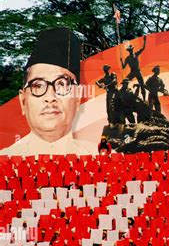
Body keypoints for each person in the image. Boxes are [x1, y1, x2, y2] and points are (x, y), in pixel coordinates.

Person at [0, 27, 97, 156]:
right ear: (23, 101)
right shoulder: (5, 161)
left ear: (78, 97)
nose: (50, 97)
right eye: (38, 85)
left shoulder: (101, 158)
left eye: (62, 84)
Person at [121, 35, 147, 101]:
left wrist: (144, 40)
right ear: (128, 51)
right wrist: (121, 61)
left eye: (131, 49)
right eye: (129, 50)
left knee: (142, 85)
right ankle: (123, 96)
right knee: (125, 81)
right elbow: (123, 67)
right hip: (132, 72)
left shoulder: (136, 54)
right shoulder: (127, 58)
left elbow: (143, 48)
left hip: (138, 71)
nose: (131, 51)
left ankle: (144, 99)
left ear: (132, 49)